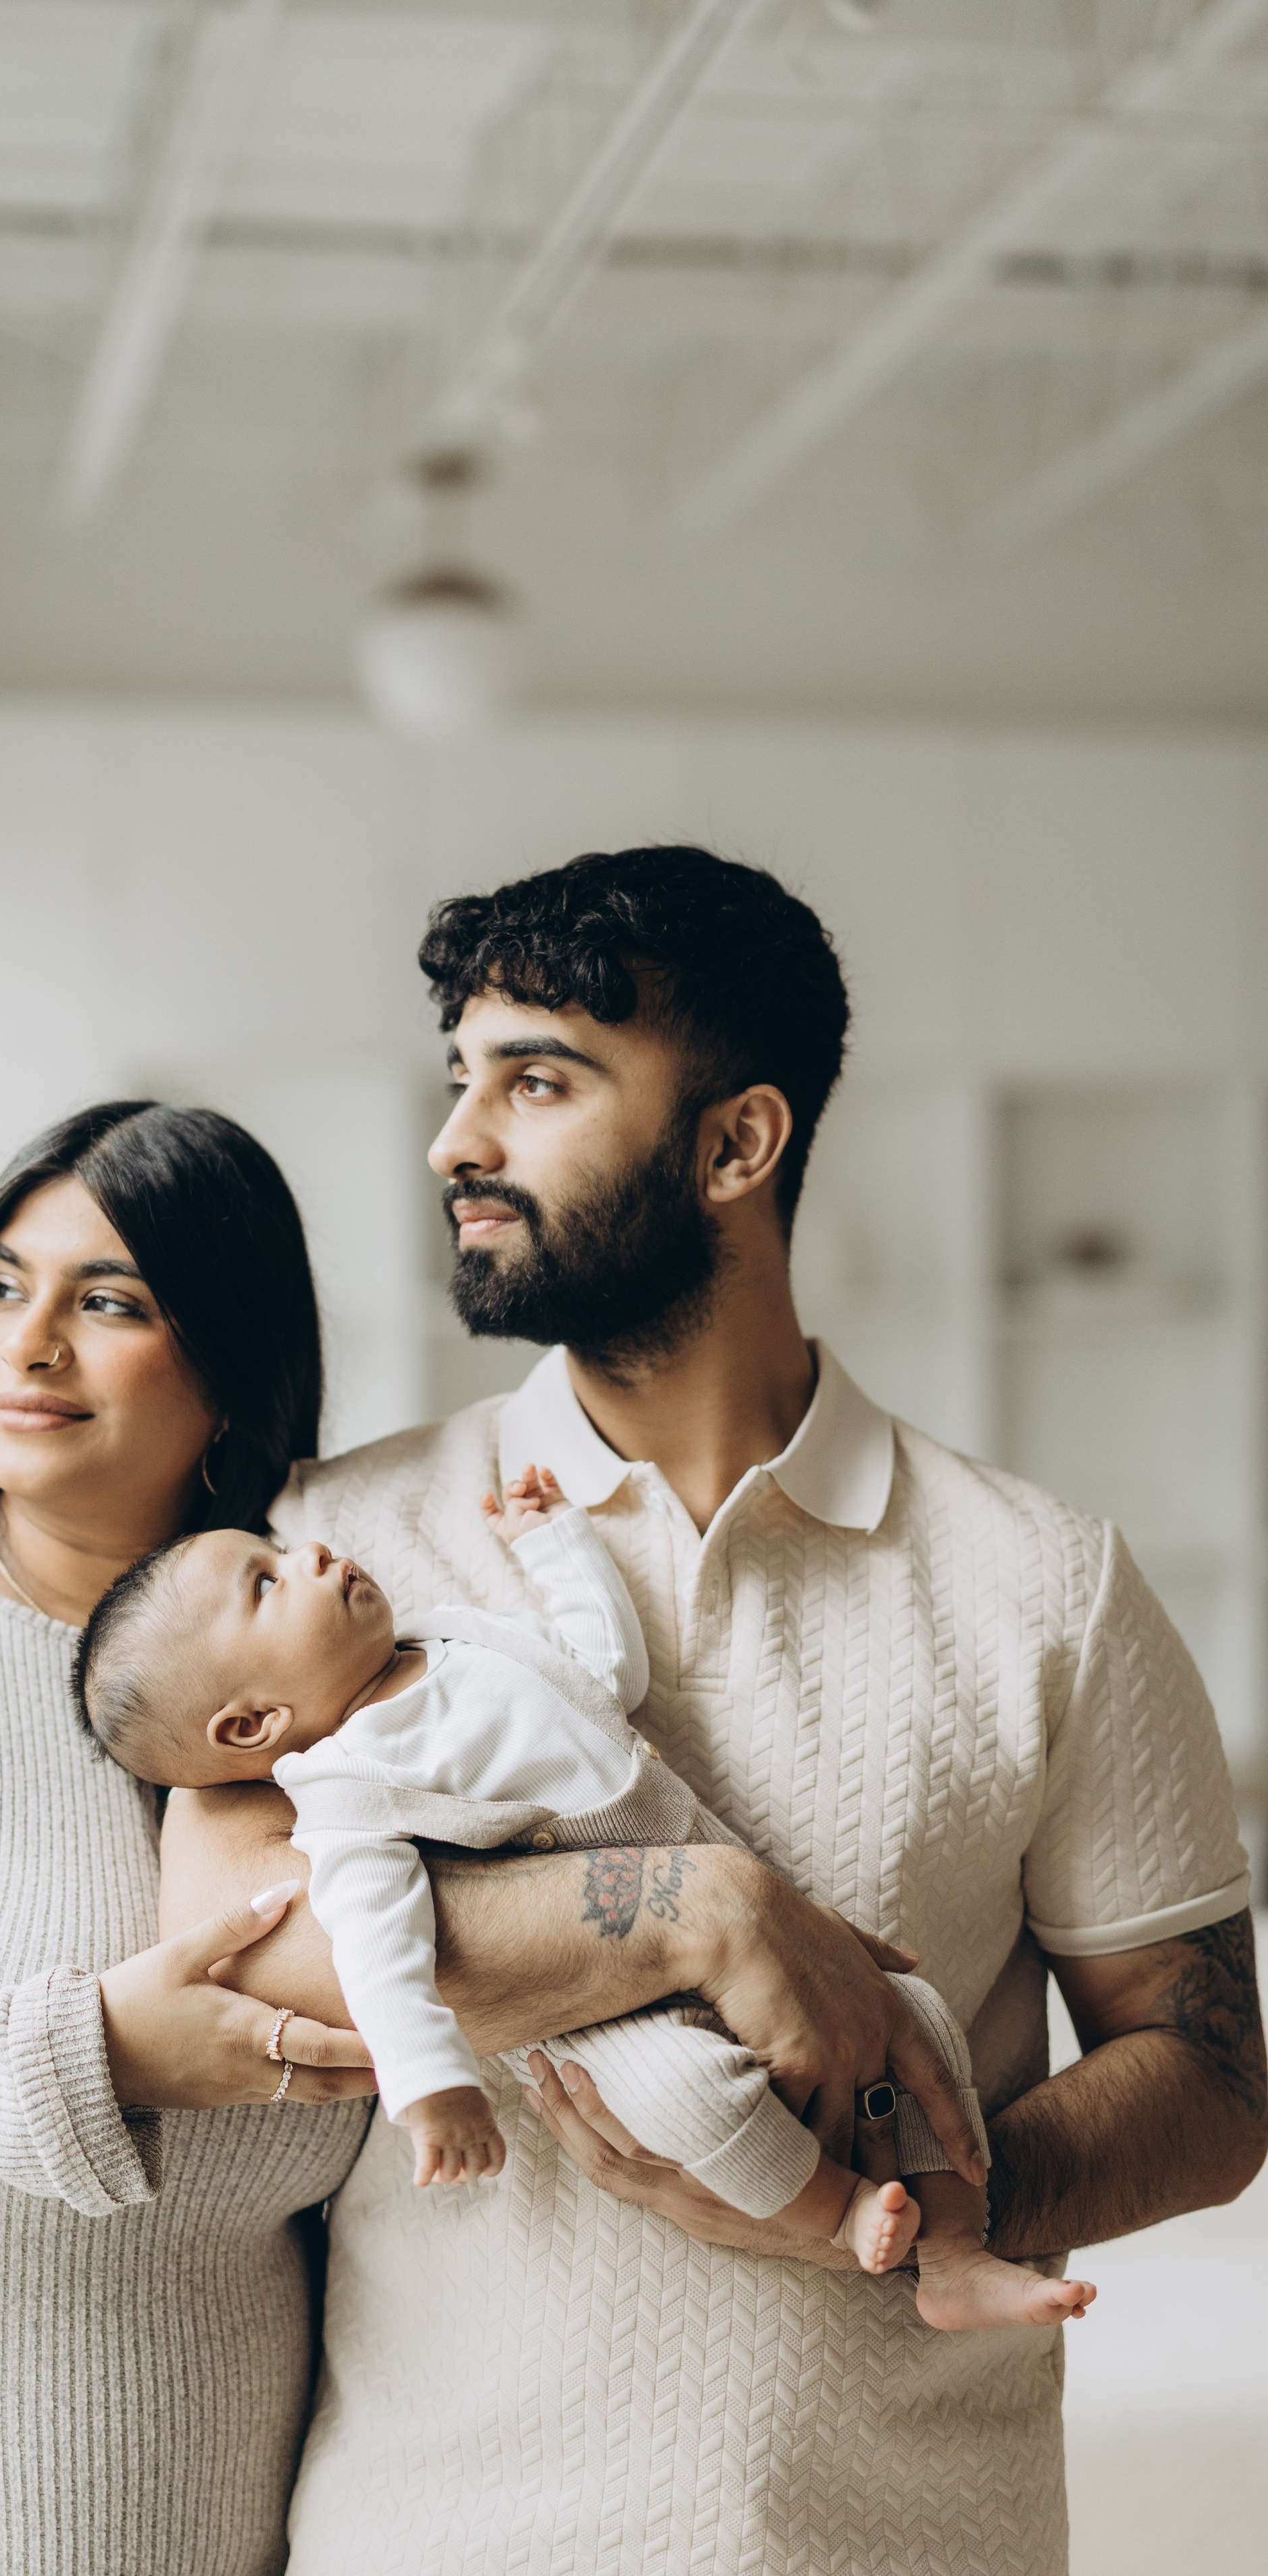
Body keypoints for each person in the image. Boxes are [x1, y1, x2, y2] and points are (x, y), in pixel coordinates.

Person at [0, 1095, 971, 2576]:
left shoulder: (340, 1695)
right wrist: (95, 2054)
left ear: (230, 1374)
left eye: (109, 1301)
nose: (26, 1343)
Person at [164, 849, 1267, 2576]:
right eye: (460, 1079)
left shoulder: (1048, 1584)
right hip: (436, 2542)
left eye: (535, 1082)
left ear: (737, 1144)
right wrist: (701, 1910)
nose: (454, 1142)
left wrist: (883, 2211)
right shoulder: (324, 1550)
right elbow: (236, 1944)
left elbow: (1205, 2075)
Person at [83, 1458, 1084, 2332]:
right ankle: (838, 2214)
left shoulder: (450, 1639)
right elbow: (377, 1945)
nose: (309, 1554)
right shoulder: (349, 1787)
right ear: (251, 1726)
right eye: (267, 1581)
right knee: (691, 2099)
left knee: (916, 2015)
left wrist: (559, 1546)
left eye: (281, 1549)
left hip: (724, 1878)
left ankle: (956, 2256)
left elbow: (604, 1672)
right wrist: (431, 2085)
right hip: (613, 2010)